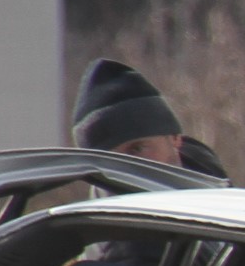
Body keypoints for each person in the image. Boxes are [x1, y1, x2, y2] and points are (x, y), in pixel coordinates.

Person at [69, 57, 228, 178]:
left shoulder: (222, 200)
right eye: (108, 161)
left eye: (137, 149)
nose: (124, 167)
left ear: (174, 138)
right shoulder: (95, 219)